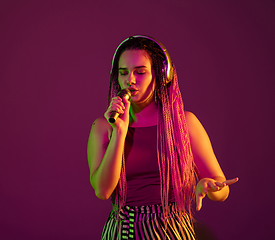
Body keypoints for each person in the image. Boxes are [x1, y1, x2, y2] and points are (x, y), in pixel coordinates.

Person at [87, 35, 238, 240]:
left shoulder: (185, 123)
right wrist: (120, 132)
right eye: (123, 73)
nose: (129, 80)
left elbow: (222, 190)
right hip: (122, 231)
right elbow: (103, 191)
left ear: (161, 75)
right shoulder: (103, 127)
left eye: (140, 72)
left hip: (171, 230)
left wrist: (210, 186)